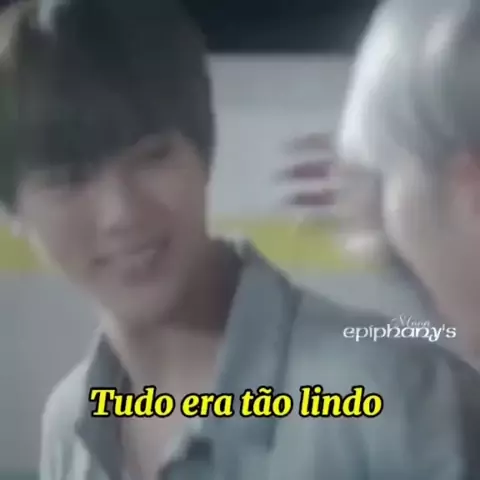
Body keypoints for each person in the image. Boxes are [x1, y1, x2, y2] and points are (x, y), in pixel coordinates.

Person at [2, 0, 480, 479]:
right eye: (69, 180)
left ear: (204, 152)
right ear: (13, 211)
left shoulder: (397, 396)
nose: (121, 214)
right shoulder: (71, 423)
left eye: (152, 156)